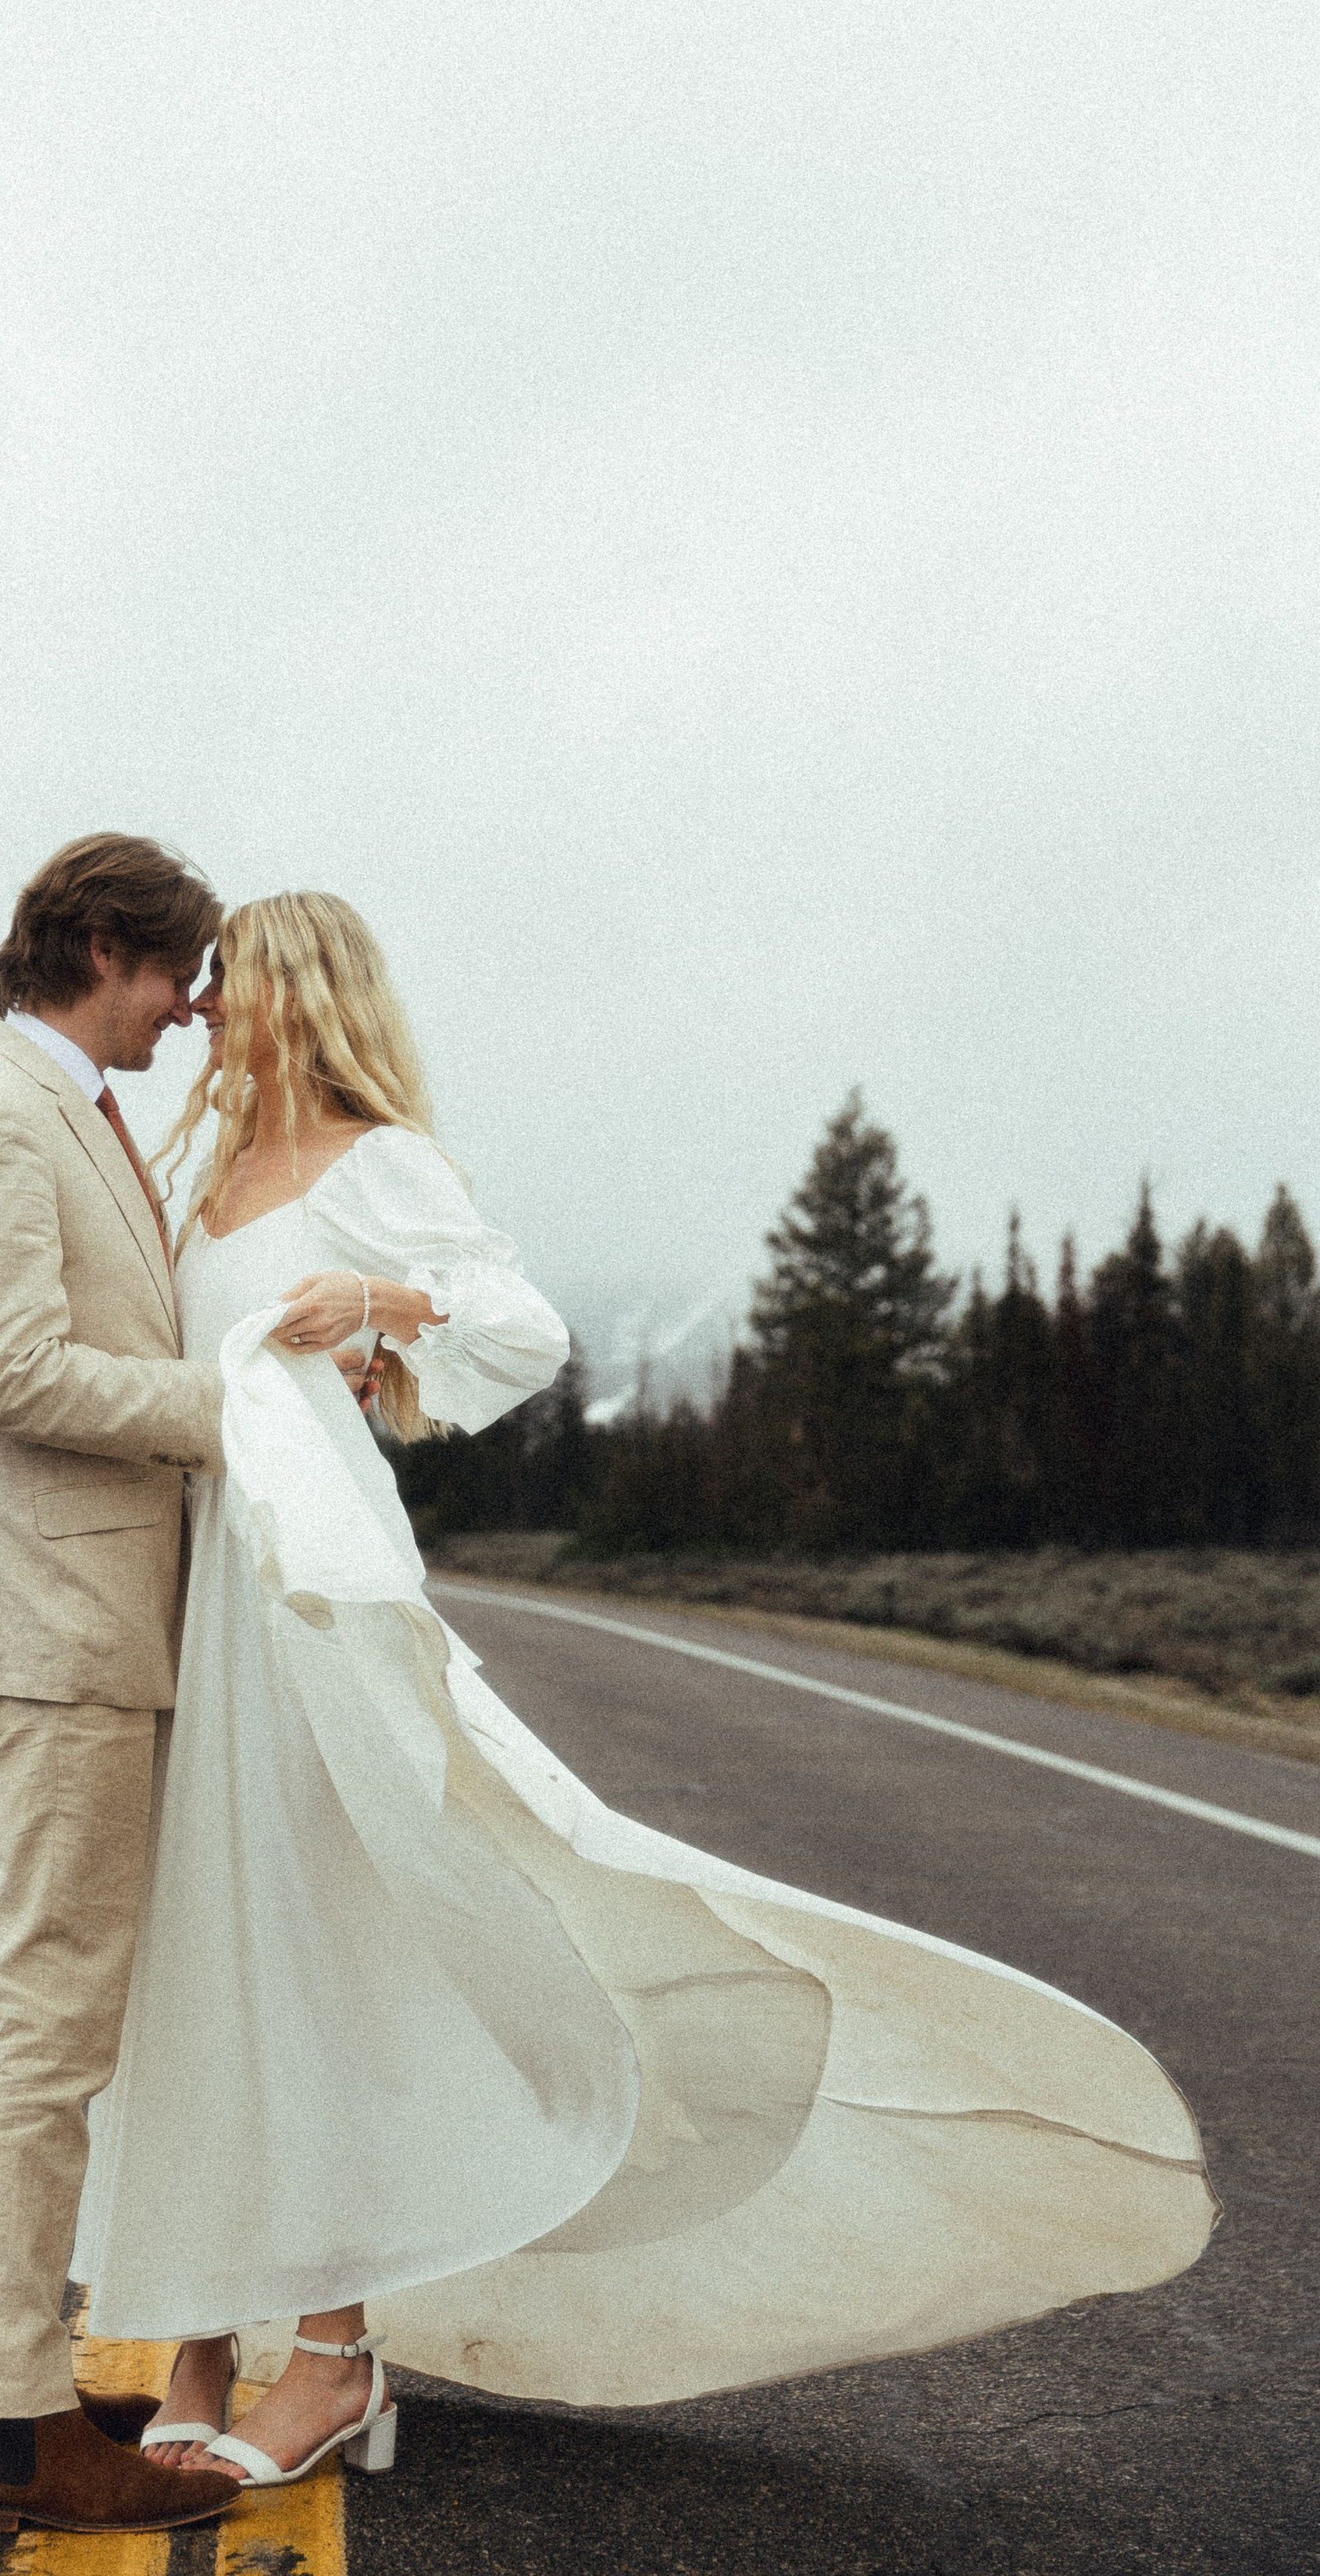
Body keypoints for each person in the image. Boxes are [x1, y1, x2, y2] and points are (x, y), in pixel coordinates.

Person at [64, 891, 1215, 2493]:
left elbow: (520, 1331)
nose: (198, 1011)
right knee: (197, 1956)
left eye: (223, 983)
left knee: (320, 1948)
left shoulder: (376, 1163)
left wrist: (379, 1309)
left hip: (310, 1598)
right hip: (201, 1589)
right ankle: (197, 2340)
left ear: (296, 991)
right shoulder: (200, 1171)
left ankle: (329, 2354)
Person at [0, 832, 247, 2540]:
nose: (189, 1010)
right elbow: (17, 1376)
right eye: (177, 973)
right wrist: (238, 1411)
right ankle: (17, 2435)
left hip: (89, 1616)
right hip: (58, 1623)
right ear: (101, 947)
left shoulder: (72, 1111)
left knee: (31, 2010)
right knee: (48, 2023)